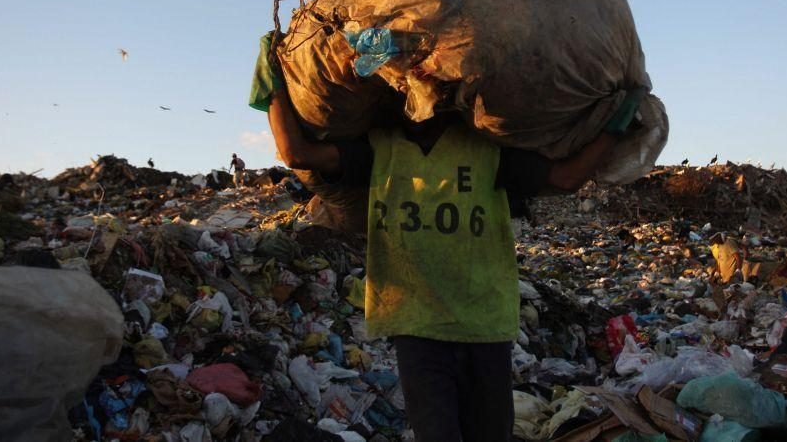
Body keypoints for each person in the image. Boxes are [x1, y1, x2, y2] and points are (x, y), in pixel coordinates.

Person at [252, 33, 643, 442]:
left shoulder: (489, 151)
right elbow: (297, 155)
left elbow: (566, 177)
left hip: (484, 327)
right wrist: (272, 83)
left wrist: (617, 124)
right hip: (418, 328)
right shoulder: (377, 151)